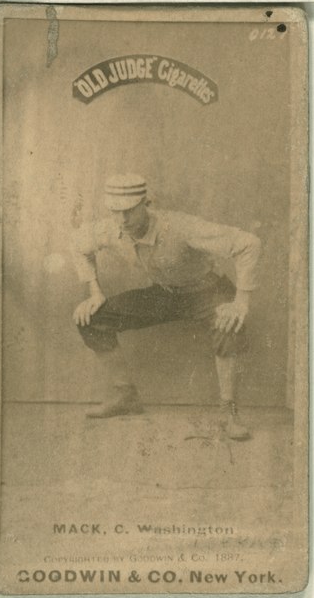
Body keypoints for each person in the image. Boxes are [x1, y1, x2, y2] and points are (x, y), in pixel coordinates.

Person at [72, 174, 261, 440]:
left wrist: (241, 302)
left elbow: (248, 244)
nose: (122, 220)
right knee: (93, 320)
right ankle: (126, 396)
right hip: (164, 294)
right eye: (115, 212)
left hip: (206, 291)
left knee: (229, 326)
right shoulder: (110, 229)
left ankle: (228, 413)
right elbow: (78, 244)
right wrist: (94, 292)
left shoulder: (180, 226)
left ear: (146, 204)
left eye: (129, 211)